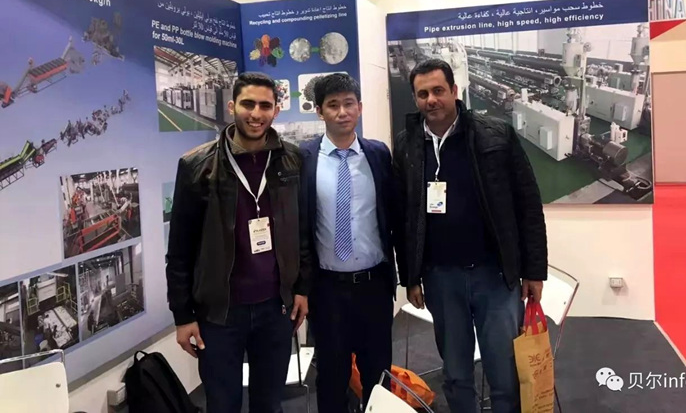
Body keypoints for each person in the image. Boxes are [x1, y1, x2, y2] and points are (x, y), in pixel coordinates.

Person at [392, 59, 548, 413]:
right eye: (422, 94)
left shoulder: (496, 135)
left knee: (503, 371)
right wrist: (410, 277)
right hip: (440, 278)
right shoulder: (407, 145)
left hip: (495, 276)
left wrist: (534, 270)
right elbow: (403, 217)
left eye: (438, 91)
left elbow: (528, 203)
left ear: (454, 91)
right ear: (415, 99)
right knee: (456, 373)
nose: (431, 100)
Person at [166, 72, 311, 413]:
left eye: (265, 106)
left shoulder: (291, 161)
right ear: (232, 107)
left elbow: (301, 231)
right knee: (222, 405)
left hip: (275, 308)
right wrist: (182, 316)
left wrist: (302, 288)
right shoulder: (196, 166)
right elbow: (180, 249)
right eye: (248, 104)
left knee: (269, 404)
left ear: (276, 110)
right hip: (220, 314)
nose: (256, 114)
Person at [300, 74, 398, 412]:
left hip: (374, 286)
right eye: (333, 105)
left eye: (349, 103)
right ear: (319, 111)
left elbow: (393, 214)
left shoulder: (378, 155)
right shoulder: (304, 158)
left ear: (360, 107)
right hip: (326, 289)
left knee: (378, 374)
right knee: (331, 376)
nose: (342, 112)